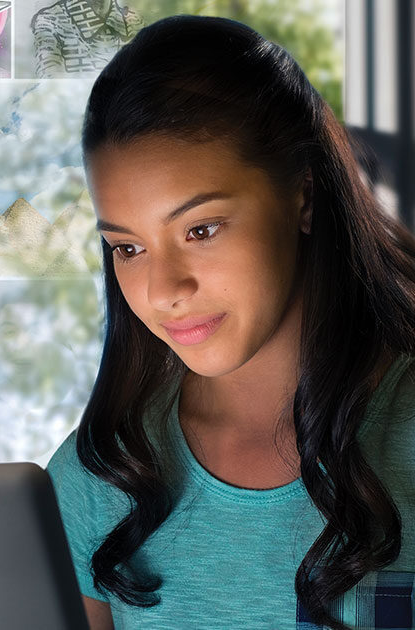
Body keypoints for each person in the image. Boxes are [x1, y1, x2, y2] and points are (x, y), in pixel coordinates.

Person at [47, 15, 415, 630]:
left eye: (202, 229)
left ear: (303, 194)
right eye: (128, 248)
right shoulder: (101, 478)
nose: (164, 292)